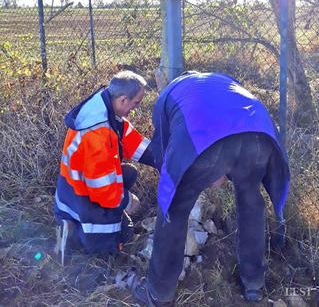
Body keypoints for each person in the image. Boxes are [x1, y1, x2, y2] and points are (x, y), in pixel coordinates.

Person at [133, 71, 290, 305]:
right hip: (259, 133)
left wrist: (202, 172)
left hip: (208, 138)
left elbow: (167, 153)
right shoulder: (222, 81)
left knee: (174, 208)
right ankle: (253, 283)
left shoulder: (167, 95)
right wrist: (223, 168)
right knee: (250, 201)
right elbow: (235, 138)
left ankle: (159, 293)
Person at [54, 70, 154, 261]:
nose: (136, 108)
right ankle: (74, 234)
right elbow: (100, 187)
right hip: (81, 195)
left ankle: (77, 223)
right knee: (122, 236)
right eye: (136, 103)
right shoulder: (97, 131)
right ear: (123, 99)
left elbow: (132, 142)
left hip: (72, 186)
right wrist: (126, 201)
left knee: (129, 173)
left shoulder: (106, 108)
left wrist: (162, 159)